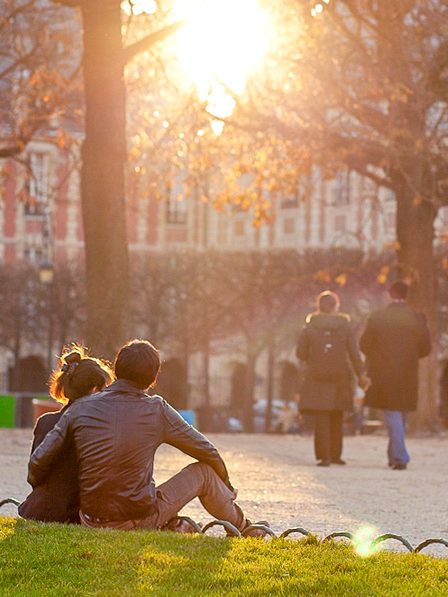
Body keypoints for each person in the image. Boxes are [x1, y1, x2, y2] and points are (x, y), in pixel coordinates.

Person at [27, 339, 266, 535]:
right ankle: (246, 528)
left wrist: (37, 486)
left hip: (90, 518)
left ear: (117, 369)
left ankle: (178, 524)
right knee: (203, 472)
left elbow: (38, 462)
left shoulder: (82, 407)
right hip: (136, 520)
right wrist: (226, 484)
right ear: (153, 378)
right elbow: (206, 451)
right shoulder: (157, 409)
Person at [19, 347, 113, 522]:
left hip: (37, 509)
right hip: (73, 515)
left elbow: (35, 476)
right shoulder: (98, 430)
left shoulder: (45, 422)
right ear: (94, 390)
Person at [360, 280, 431, 470]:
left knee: (392, 413)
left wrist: (378, 356)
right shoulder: (417, 318)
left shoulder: (377, 317)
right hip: (408, 371)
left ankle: (398, 456)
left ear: (389, 295)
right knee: (400, 414)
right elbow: (426, 348)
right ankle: (397, 455)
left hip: (384, 371)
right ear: (406, 295)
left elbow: (364, 345)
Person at [296, 291, 368, 466]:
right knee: (337, 414)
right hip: (340, 376)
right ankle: (336, 455)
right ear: (336, 307)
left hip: (316, 375)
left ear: (318, 307)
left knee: (322, 415)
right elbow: (353, 352)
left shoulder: (309, 326)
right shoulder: (345, 326)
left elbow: (301, 353)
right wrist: (361, 374)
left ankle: (324, 456)